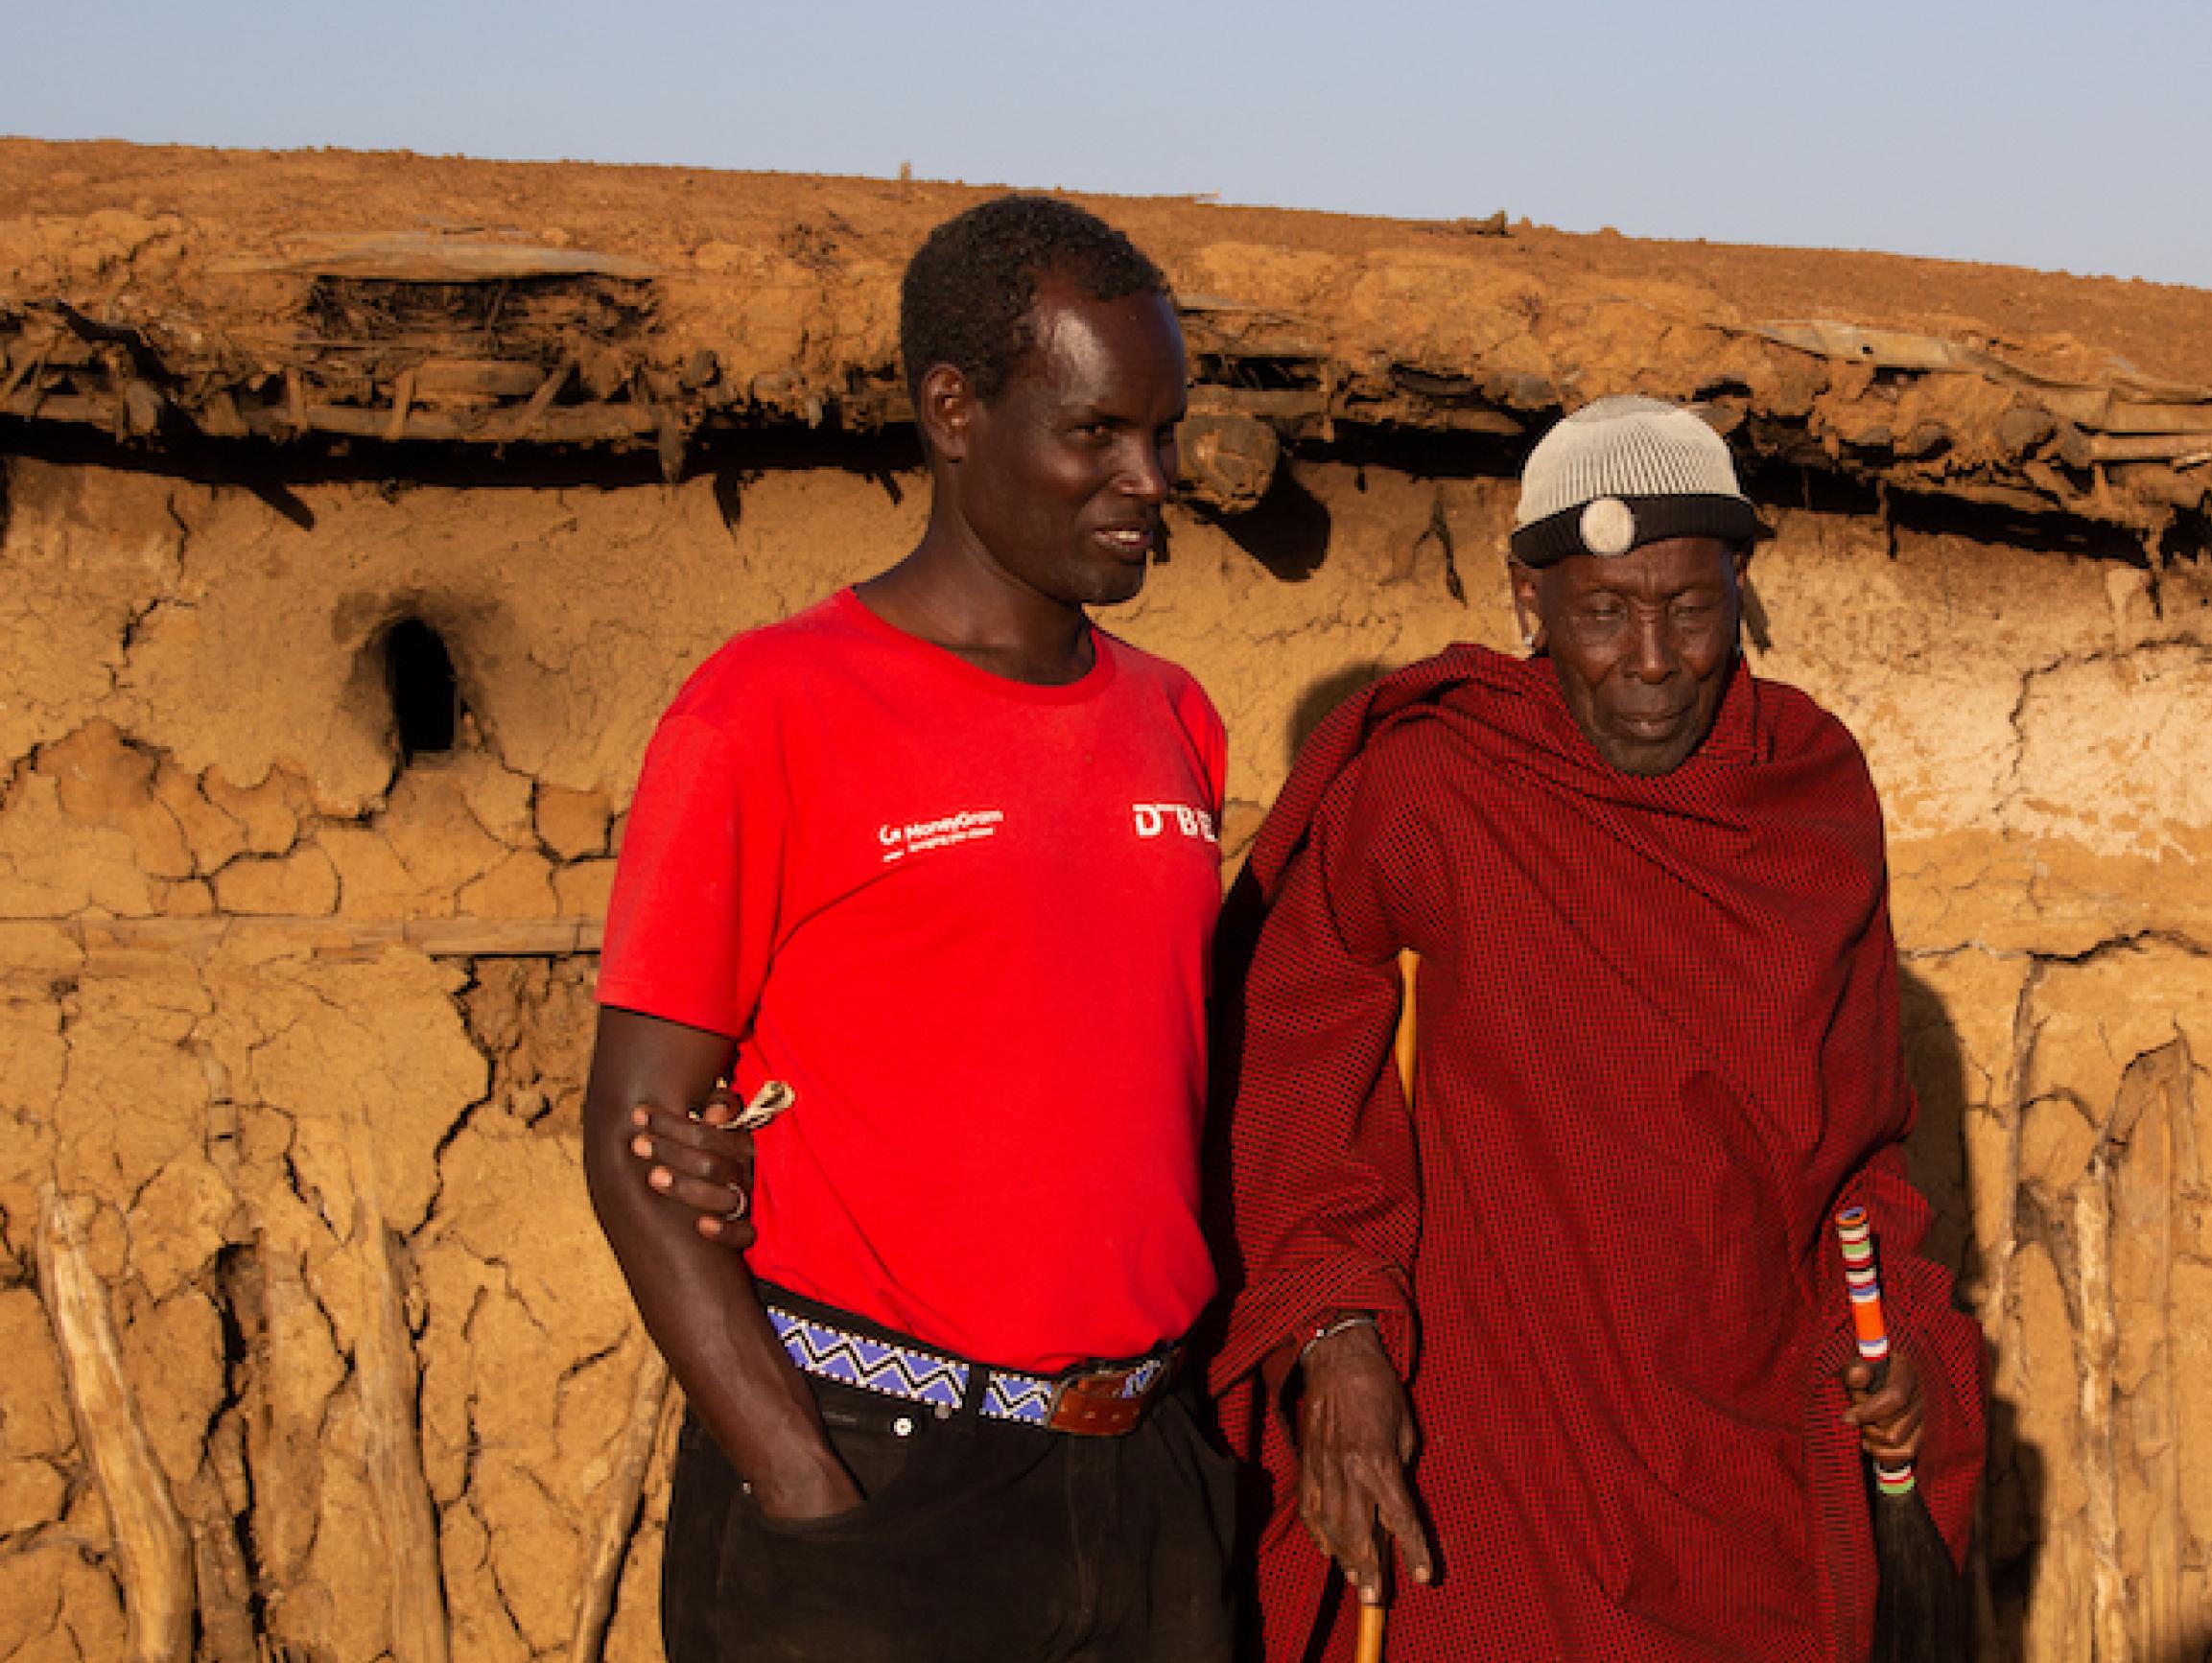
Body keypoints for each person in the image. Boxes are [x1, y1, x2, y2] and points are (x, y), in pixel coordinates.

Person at [1213, 396, 1984, 1661]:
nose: (1651, 659)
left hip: (1743, 1446)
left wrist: (1898, 1338)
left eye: (1688, 609)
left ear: (1737, 584)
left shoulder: (1806, 789)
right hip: (1501, 1437)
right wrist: (1335, 1330)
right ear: (1530, 601)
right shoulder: (1439, 785)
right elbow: (1290, 1064)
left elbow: (1856, 1149)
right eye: (1603, 614)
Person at [581, 193, 1236, 1663]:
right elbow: (633, 1134)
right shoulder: (772, 709)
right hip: (878, 1485)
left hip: (1145, 1475)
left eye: (1166, 431)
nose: (1150, 478)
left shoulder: (1173, 719)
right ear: (953, 411)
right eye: (1097, 433)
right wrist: (806, 1493)